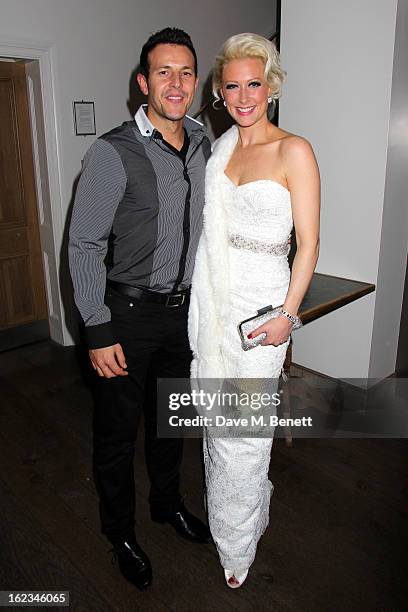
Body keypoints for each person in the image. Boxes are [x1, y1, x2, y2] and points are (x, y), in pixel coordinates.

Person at [69, 27, 212, 591]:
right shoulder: (112, 151)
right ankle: (120, 533)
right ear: (143, 83)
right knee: (117, 433)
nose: (174, 83)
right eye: (163, 72)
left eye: (184, 73)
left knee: (171, 421)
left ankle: (167, 504)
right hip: (124, 314)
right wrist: (97, 328)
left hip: (184, 316)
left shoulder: (205, 143)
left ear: (195, 83)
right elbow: (83, 245)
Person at [188, 33, 320, 588]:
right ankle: (234, 514)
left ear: (272, 86)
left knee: (245, 434)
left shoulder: (295, 150)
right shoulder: (221, 150)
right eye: (233, 85)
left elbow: (309, 245)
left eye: (254, 84)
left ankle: (237, 546)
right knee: (220, 430)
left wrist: (286, 317)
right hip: (217, 307)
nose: (244, 96)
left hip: (264, 312)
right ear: (221, 91)